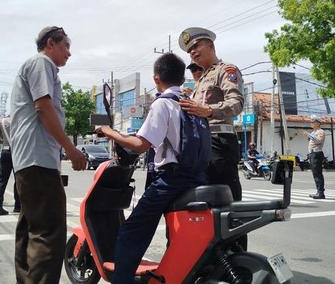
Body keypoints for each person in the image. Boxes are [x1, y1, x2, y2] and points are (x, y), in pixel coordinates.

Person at [95, 53, 209, 283]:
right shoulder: (193, 103)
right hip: (199, 177)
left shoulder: (163, 104)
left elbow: (140, 145)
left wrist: (109, 132)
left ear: (156, 78)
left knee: (131, 232)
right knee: (175, 234)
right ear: (181, 77)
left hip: (172, 181)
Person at [10, 26, 87, 284]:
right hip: (38, 161)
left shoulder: (36, 66)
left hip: (29, 161)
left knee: (30, 230)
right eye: (66, 46)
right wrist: (70, 147)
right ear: (51, 43)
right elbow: (43, 108)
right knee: (49, 232)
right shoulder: (42, 63)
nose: (69, 53)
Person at [178, 27, 245, 201]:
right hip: (200, 142)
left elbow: (236, 103)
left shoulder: (226, 70)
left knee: (226, 197)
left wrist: (208, 111)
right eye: (189, 51)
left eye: (196, 46)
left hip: (219, 141)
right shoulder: (200, 80)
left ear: (211, 46)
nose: (193, 52)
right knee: (206, 199)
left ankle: (236, 228)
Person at [0, 116, 20, 215]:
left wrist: (4, 142)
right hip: (17, 152)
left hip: (5, 151)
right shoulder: (18, 120)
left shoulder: (2, 121)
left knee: (2, 180)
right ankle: (18, 206)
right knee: (18, 179)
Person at [304, 115, 326, 199]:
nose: (311, 123)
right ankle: (318, 191)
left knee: (318, 173)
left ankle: (321, 192)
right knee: (315, 173)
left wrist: (308, 135)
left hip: (317, 153)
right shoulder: (313, 132)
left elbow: (318, 140)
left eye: (313, 122)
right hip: (312, 154)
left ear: (317, 123)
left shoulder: (320, 131)